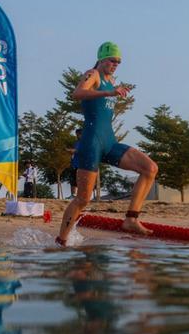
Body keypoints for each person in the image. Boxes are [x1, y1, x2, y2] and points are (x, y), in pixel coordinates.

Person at [56, 42, 158, 246]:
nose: (116, 64)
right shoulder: (93, 74)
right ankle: (61, 241)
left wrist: (113, 91)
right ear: (102, 59)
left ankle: (131, 219)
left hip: (109, 143)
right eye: (112, 60)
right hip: (91, 143)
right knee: (83, 200)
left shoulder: (112, 82)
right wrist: (108, 93)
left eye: (119, 61)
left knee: (150, 168)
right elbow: (77, 93)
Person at [68, 128, 83, 197]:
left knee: (80, 180)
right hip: (74, 164)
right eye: (76, 134)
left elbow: (80, 151)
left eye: (78, 134)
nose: (77, 136)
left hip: (82, 164)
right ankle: (73, 194)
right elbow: (74, 152)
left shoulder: (85, 142)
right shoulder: (76, 142)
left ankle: (81, 194)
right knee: (73, 180)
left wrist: (73, 150)